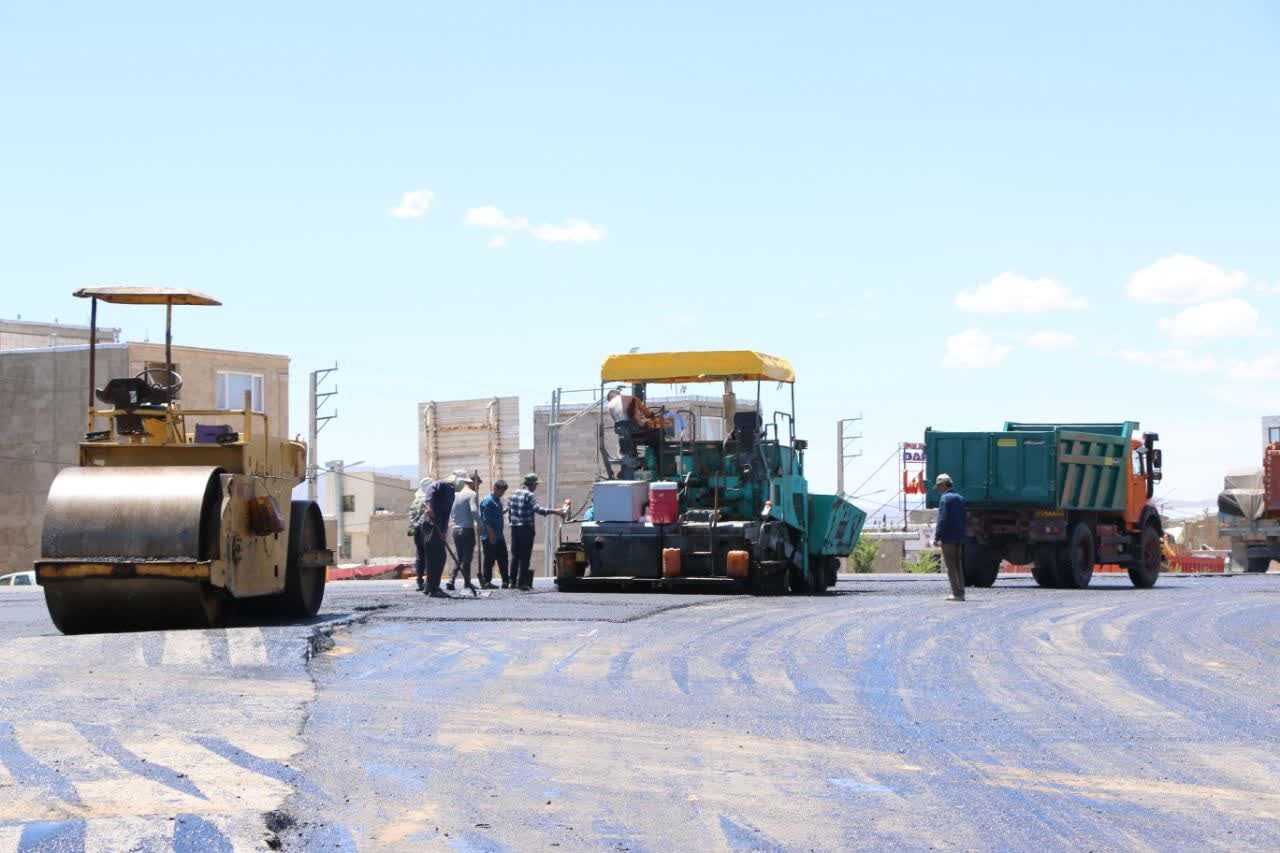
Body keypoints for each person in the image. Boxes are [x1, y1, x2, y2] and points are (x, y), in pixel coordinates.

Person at [507, 473, 568, 591]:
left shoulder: (513, 494)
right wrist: (557, 511)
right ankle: (522, 583)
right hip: (526, 529)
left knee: (515, 556)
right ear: (533, 484)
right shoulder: (530, 495)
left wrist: (513, 524)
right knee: (525, 556)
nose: (536, 486)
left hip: (514, 528)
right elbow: (539, 510)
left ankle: (512, 582)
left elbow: (510, 512)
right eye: (536, 484)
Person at [420, 476, 457, 598]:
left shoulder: (452, 491)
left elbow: (445, 514)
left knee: (436, 557)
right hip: (431, 524)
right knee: (437, 557)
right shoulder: (443, 484)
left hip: (438, 527)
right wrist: (429, 505)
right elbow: (431, 489)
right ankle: (433, 588)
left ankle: (429, 586)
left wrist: (444, 531)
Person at [933, 473, 967, 601]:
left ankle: (956, 594)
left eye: (939, 487)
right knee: (958, 565)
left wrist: (937, 537)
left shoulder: (945, 499)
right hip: (960, 537)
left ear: (943, 485)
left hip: (948, 538)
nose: (939, 490)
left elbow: (942, 519)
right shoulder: (960, 498)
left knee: (950, 566)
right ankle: (961, 592)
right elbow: (964, 519)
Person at [446, 473, 480, 593]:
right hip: (467, 529)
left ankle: (451, 580)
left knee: (459, 557)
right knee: (467, 558)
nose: (478, 487)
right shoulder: (471, 494)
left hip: (455, 529)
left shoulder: (455, 494)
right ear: (471, 483)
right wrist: (480, 524)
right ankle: (467, 582)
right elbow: (474, 510)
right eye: (478, 484)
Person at [479, 480, 510, 589]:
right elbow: (486, 520)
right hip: (490, 536)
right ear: (495, 488)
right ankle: (487, 581)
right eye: (501, 491)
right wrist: (491, 534)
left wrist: (507, 509)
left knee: (503, 558)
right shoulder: (488, 501)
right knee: (489, 559)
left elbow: (498, 513)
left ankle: (505, 581)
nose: (502, 493)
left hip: (499, 535)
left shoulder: (497, 500)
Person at [407, 479, 430, 592]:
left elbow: (411, 514)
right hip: (425, 529)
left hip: (416, 530)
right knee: (430, 555)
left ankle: (420, 580)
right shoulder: (427, 498)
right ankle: (429, 582)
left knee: (420, 556)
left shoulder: (416, 500)